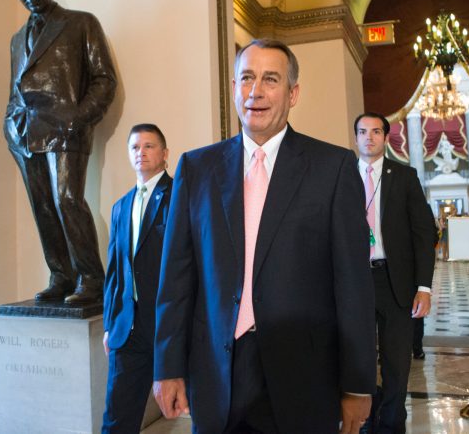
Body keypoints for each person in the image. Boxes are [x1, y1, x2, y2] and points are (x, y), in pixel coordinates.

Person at [153, 38, 376, 434]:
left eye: (270, 80)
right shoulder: (196, 169)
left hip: (303, 378)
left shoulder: (333, 169)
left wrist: (357, 384)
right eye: (247, 78)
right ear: (235, 89)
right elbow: (176, 280)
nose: (256, 91)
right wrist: (168, 367)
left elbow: (353, 287)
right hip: (218, 374)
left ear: (293, 94)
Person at [4, 0, 117, 304]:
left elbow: (103, 79)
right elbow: (15, 90)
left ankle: (92, 279)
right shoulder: (17, 38)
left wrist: (78, 119)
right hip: (26, 133)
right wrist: (10, 126)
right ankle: (61, 275)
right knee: (42, 205)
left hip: (68, 127)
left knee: (68, 200)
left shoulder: (80, 23)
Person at [354, 113, 437, 434]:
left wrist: (424, 287)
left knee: (396, 362)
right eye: (362, 132)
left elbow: (422, 234)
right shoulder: (342, 176)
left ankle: (391, 424)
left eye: (376, 132)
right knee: (358, 359)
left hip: (395, 282)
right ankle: (363, 420)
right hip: (355, 282)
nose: (369, 138)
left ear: (386, 138)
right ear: (356, 137)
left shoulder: (404, 176)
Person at [102, 124, 172, 433]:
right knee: (117, 418)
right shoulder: (120, 206)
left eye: (148, 146)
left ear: (165, 154)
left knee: (204, 412)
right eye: (134, 147)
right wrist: (108, 324)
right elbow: (114, 274)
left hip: (169, 327)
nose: (140, 152)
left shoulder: (181, 196)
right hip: (126, 330)